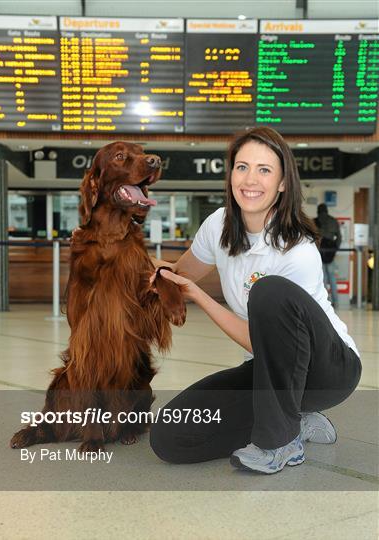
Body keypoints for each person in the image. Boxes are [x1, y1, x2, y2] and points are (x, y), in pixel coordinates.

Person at [148, 127, 361, 475]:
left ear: (281, 183)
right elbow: (178, 275)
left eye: (264, 170)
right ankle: (295, 420)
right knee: (171, 437)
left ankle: (280, 440)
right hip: (269, 373)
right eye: (242, 166)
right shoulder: (218, 225)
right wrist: (126, 256)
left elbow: (258, 339)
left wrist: (200, 297)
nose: (251, 179)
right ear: (230, 173)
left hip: (328, 370)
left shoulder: (297, 248)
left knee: (269, 290)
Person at [314, 203, 342, 308]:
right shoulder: (333, 221)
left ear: (318, 211)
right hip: (330, 252)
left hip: (319, 252)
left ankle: (326, 302)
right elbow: (339, 237)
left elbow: (312, 238)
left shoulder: (315, 221)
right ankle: (336, 302)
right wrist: (335, 249)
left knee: (323, 279)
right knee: (332, 278)